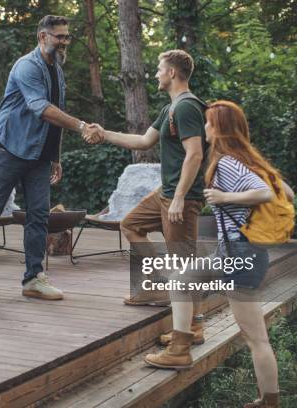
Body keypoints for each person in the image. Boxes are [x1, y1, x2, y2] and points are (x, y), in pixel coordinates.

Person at [144, 100, 294, 408]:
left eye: (209, 123)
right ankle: (182, 345)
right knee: (183, 281)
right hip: (244, 252)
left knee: (255, 338)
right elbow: (287, 193)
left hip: (239, 252)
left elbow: (266, 194)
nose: (204, 128)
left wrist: (227, 196)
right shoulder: (249, 162)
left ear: (220, 128)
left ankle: (267, 401)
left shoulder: (227, 163)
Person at [0, 15, 97, 301]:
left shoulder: (57, 70)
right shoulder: (27, 66)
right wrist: (82, 126)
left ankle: (33, 278)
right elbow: (42, 108)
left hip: (39, 156)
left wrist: (55, 156)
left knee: (38, 216)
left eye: (67, 36)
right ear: (42, 37)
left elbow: (55, 115)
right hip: (10, 149)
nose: (64, 42)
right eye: (59, 37)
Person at [87, 50, 207, 343]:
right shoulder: (170, 108)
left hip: (182, 197)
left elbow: (195, 154)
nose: (155, 74)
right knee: (130, 224)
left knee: (183, 263)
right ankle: (156, 285)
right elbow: (143, 140)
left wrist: (179, 197)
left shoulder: (187, 107)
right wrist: (104, 134)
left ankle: (194, 329)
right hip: (164, 194)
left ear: (173, 73)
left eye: (159, 69)